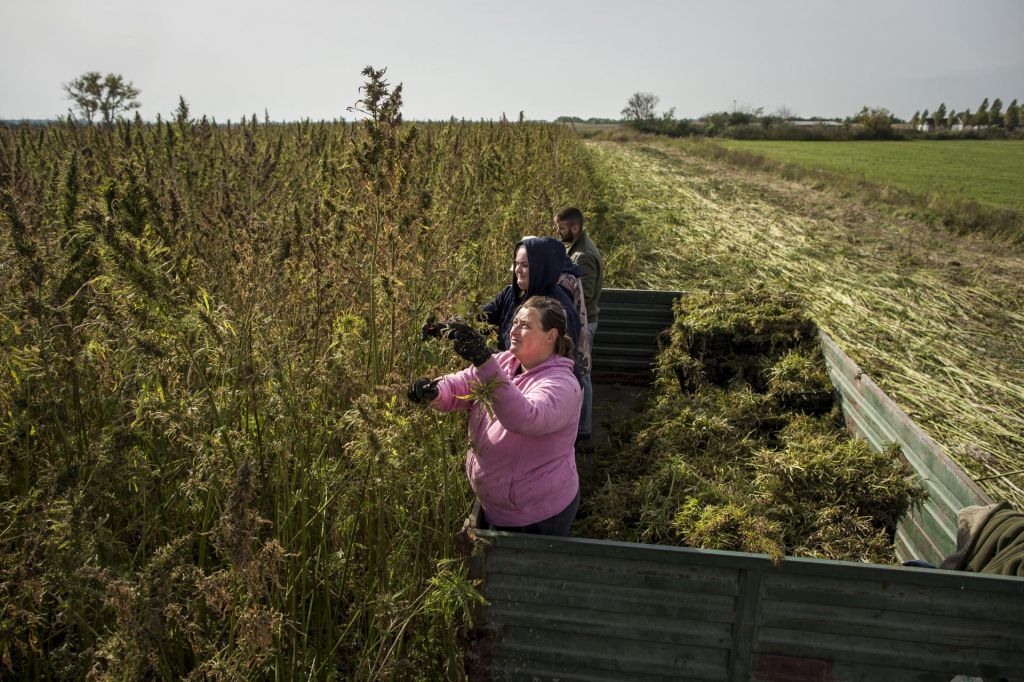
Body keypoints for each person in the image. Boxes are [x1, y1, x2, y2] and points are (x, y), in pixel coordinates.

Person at [408, 297, 582, 536]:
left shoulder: (562, 385)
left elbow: (525, 417)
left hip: (537, 514)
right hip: (501, 506)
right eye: (515, 322)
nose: (514, 329)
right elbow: (463, 383)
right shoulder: (506, 362)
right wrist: (435, 391)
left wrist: (483, 359)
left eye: (526, 325)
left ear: (550, 336)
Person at [482, 236, 582, 373]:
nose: (518, 270)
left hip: (544, 381)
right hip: (511, 375)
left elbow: (563, 359)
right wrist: (451, 329)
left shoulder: (558, 308)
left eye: (525, 265)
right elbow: (483, 319)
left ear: (541, 268)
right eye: (517, 263)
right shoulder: (511, 294)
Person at [555, 207, 603, 443]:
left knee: (582, 375)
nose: (558, 232)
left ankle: (584, 431)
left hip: (585, 324)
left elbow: (585, 293)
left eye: (562, 228)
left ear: (575, 228)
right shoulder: (577, 249)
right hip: (584, 321)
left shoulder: (582, 256)